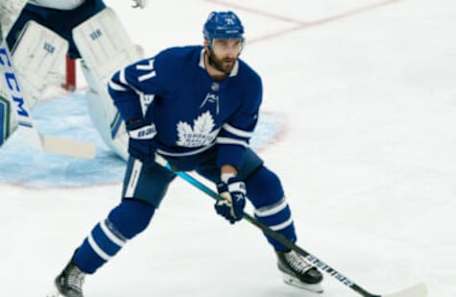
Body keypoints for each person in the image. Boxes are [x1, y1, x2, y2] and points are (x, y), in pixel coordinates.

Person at [48, 11, 323, 297]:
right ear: (207, 42)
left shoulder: (249, 84)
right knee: (134, 216)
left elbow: (233, 140)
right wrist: (137, 126)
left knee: (265, 184)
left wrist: (230, 184)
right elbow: (120, 83)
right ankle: (74, 272)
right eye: (222, 44)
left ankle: (287, 253)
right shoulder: (173, 65)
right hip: (158, 151)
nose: (230, 52)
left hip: (210, 150)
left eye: (235, 44)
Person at [5, 0, 148, 159]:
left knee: (120, 81)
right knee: (9, 96)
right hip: (31, 14)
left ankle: (139, 147)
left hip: (85, 12)